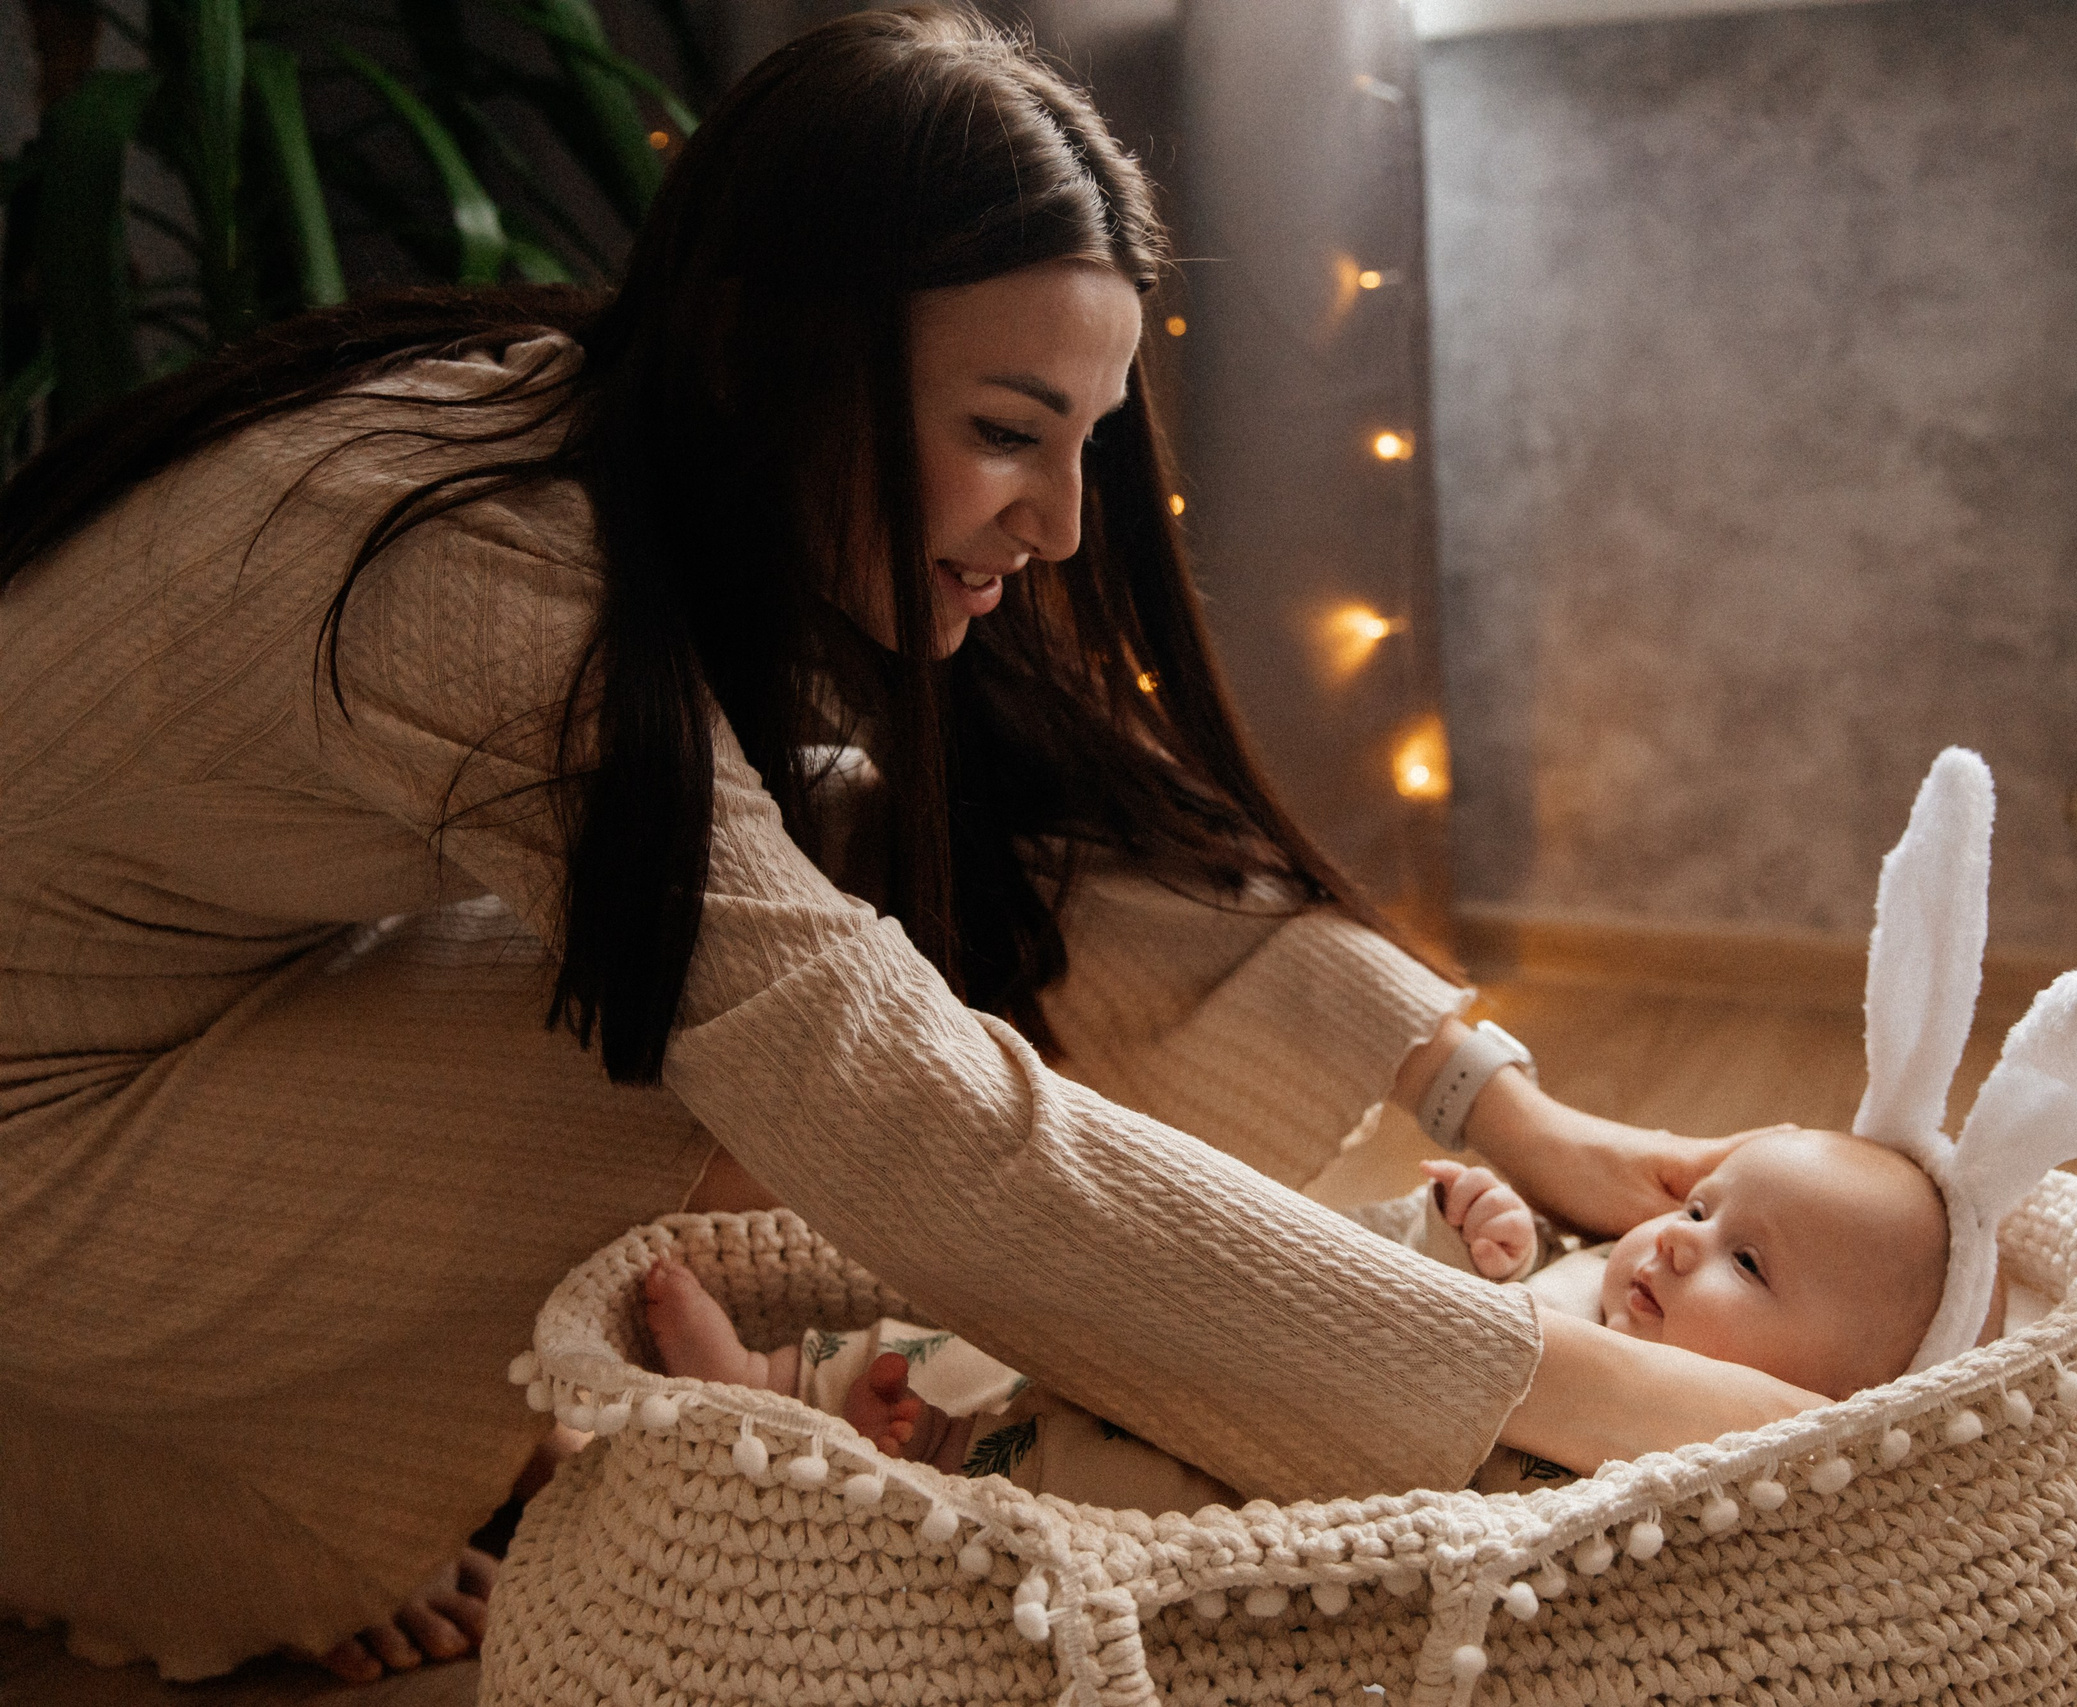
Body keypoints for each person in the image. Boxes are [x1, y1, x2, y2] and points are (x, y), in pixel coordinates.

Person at [0, 4, 1814, 1687]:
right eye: (1008, 434)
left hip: (199, 1008)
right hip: (41, 1143)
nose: (1061, 518)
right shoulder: (480, 581)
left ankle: (367, 1449)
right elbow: (915, 1110)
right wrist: (1608, 1395)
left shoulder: (644, 453)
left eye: (1088, 441)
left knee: (842, 842)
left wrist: (1502, 1110)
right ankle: (251, 1489)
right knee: (722, 1039)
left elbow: (1041, 827)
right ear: (761, 344)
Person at [639, 1124, 1944, 1507]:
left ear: (1822, 1394)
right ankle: (781, 1383)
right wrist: (1456, 1227)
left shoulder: (1699, 1461)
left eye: (1747, 1266)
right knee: (974, 1355)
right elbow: (1334, 1281)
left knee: (977, 1484)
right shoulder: (1574, 1267)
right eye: (1703, 1203)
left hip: (1177, 1500)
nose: (1677, 1238)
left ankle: (851, 1461)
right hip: (1170, 1370)